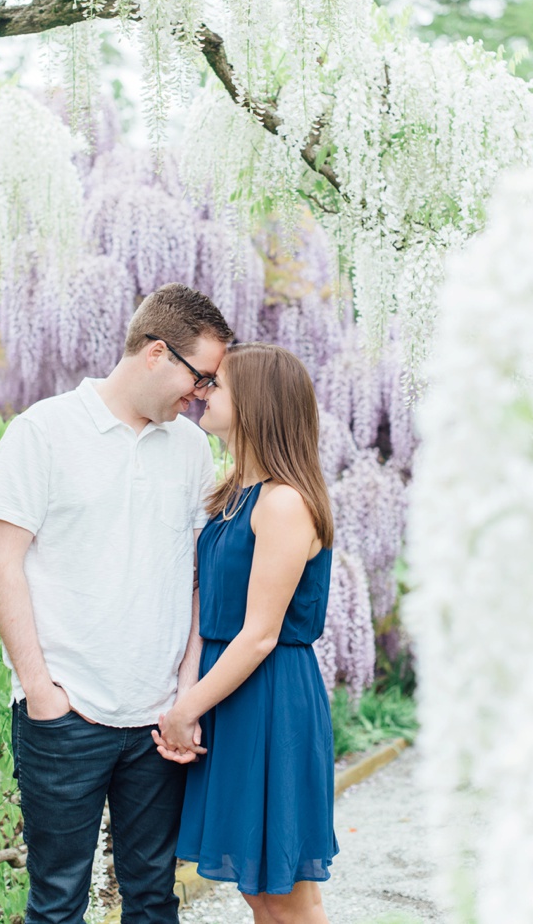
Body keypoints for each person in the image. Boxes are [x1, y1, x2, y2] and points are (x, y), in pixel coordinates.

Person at [0, 283, 233, 924]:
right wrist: (41, 691)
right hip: (67, 715)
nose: (203, 394)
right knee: (59, 901)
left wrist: (184, 691)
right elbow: (0, 561)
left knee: (152, 899)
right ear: (156, 353)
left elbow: (200, 579)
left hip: (156, 723)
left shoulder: (191, 449)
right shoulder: (44, 431)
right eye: (200, 376)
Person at [153, 342, 338, 924]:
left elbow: (259, 634)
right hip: (230, 695)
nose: (202, 391)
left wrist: (187, 710)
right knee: (258, 892)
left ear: (257, 405)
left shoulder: (283, 503)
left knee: (286, 897)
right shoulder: (233, 494)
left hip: (271, 699)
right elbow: (207, 605)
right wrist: (190, 694)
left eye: (217, 385)